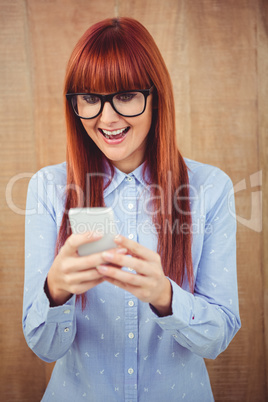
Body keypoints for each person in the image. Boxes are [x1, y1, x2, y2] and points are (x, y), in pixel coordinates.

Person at [23, 17, 241, 402]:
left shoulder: (211, 189)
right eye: (90, 98)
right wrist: (55, 291)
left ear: (156, 96)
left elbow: (218, 336)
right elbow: (45, 348)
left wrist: (165, 295)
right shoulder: (49, 188)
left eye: (125, 95)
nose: (106, 118)